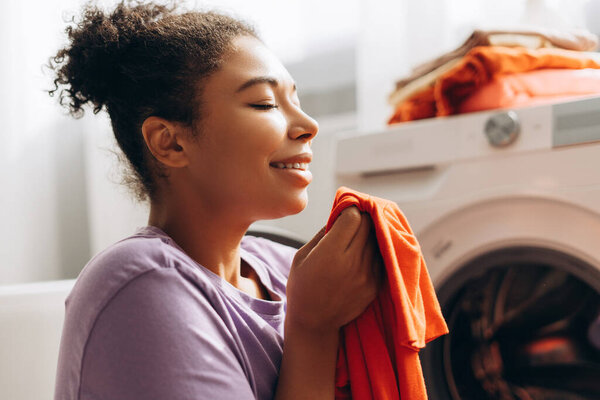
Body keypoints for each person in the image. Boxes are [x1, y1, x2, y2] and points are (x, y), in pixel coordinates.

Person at [49, 1, 381, 399]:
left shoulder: (283, 266)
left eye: (297, 99)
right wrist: (314, 329)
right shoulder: (140, 284)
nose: (309, 126)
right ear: (170, 142)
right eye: (265, 103)